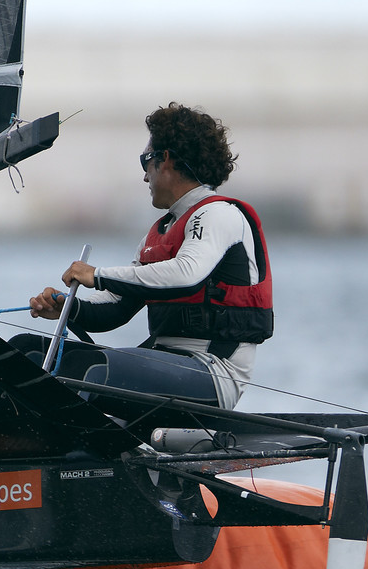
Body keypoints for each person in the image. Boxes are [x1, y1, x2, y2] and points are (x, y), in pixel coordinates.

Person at [22, 102, 272, 411]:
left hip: (213, 374)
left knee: (88, 370)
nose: (144, 178)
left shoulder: (219, 215)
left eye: (145, 162)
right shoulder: (161, 233)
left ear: (164, 160)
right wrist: (66, 308)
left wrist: (97, 274)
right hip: (165, 363)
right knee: (26, 353)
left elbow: (186, 275)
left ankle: (56, 448)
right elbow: (115, 309)